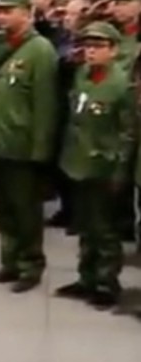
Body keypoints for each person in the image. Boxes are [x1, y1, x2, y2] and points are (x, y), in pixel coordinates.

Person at [0, 0, 58, 293]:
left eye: (9, 11)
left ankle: (30, 265)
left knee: (25, 211)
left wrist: (40, 149)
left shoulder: (39, 50)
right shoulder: (0, 44)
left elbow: (45, 103)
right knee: (4, 208)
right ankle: (10, 261)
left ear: (26, 13)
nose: (2, 16)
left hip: (23, 145)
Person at [55, 22, 135, 308]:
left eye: (98, 47)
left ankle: (106, 282)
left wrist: (119, 170)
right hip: (78, 162)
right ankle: (86, 277)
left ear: (113, 51)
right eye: (87, 46)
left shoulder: (121, 85)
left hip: (104, 165)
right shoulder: (83, 76)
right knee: (86, 226)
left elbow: (127, 133)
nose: (90, 52)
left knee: (104, 229)